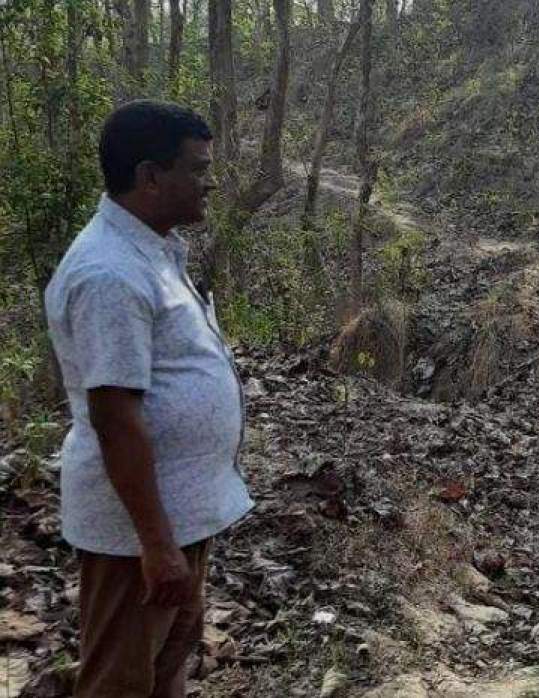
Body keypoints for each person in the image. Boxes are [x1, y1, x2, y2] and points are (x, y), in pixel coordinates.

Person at [43, 100, 253, 697]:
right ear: (150, 176)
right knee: (120, 682)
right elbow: (115, 417)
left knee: (164, 670)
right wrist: (155, 545)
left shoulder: (149, 251)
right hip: (136, 533)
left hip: (175, 518)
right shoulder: (109, 273)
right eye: (197, 168)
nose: (209, 181)